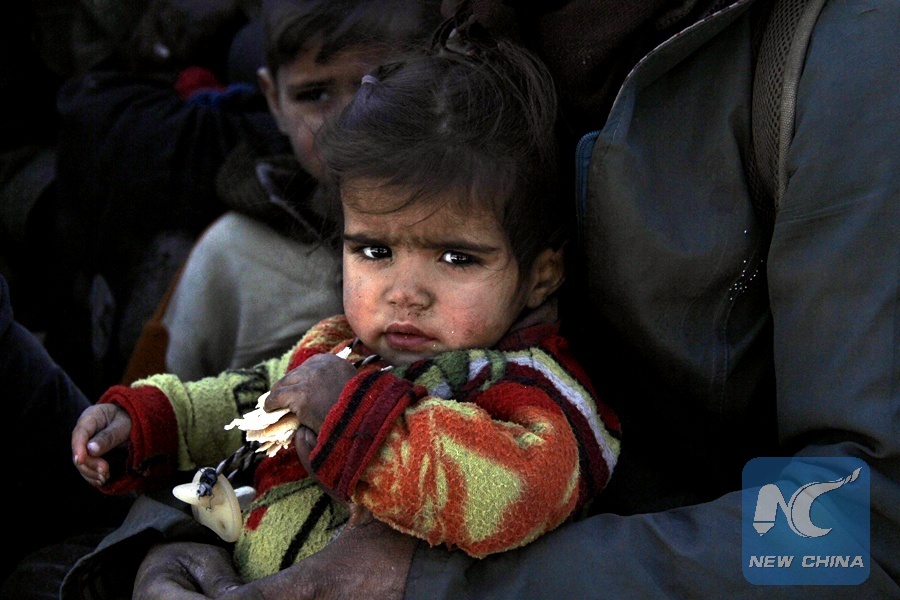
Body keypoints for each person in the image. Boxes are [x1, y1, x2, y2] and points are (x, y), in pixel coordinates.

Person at [122, 0, 899, 597]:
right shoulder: (447, 24)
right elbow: (276, 391)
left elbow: (856, 527)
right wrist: (180, 539)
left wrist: (439, 582)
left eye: (457, 256)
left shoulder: (839, 49)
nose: (406, 286)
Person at [67, 26, 621, 593]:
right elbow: (247, 400)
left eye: (457, 258)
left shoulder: (534, 389)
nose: (405, 292)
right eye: (375, 252)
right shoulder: (338, 349)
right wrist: (153, 423)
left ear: (540, 275)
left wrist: (354, 419)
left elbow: (517, 493)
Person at [127, 0, 442, 383]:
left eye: (380, 86)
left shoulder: (477, 235)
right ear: (273, 100)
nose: (350, 120)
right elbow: (152, 403)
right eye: (314, 94)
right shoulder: (230, 253)